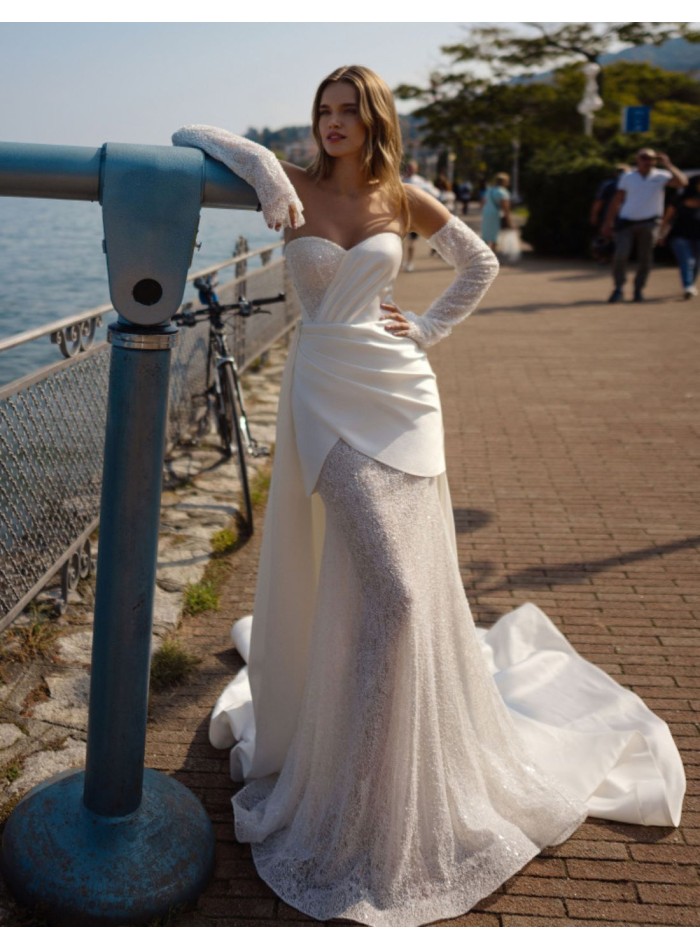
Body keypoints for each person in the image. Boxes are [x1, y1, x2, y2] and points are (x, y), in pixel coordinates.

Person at [173, 65, 685, 927]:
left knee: (398, 588)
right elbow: (199, 135)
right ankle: (363, 790)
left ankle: (387, 780)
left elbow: (477, 262)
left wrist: (433, 326)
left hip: (403, 395)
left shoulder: (401, 196)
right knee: (399, 595)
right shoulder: (292, 185)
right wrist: (263, 174)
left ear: (374, 119)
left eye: (348, 111)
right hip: (326, 396)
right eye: (323, 112)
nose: (333, 124)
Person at [602, 148, 688, 303]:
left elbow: (682, 182)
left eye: (651, 158)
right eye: (644, 158)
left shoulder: (661, 175)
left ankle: (638, 289)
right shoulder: (628, 177)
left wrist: (668, 165)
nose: (647, 161)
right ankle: (618, 288)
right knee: (620, 254)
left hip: (649, 222)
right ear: (637, 159)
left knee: (645, 258)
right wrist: (608, 222)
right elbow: (617, 199)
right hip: (626, 221)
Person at [658, 174, 700, 299]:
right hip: (679, 235)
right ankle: (688, 286)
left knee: (696, 262)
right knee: (687, 260)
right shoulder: (679, 199)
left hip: (698, 236)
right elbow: (666, 219)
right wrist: (661, 234)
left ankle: (690, 284)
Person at [400, 159, 438, 272]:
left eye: (412, 168)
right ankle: (400, 262)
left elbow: (435, 193)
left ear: (416, 169)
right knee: (398, 241)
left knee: (411, 242)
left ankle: (410, 262)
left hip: (414, 217)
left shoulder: (421, 182)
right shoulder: (399, 180)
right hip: (400, 216)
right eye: (408, 167)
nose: (410, 170)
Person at [480, 172, 512, 251]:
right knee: (494, 235)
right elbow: (505, 207)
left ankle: (484, 253)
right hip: (495, 214)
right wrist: (508, 220)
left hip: (486, 213)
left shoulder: (489, 190)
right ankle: (493, 253)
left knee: (486, 234)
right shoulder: (503, 192)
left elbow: (483, 202)